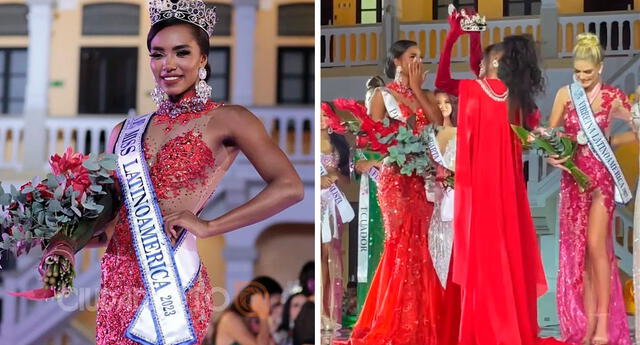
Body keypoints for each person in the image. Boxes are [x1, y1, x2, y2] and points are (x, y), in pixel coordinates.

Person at [89, 1, 304, 344]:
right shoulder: (124, 131)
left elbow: (290, 187)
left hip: (174, 282)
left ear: (202, 58)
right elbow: (113, 220)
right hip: (117, 283)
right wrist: (65, 241)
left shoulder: (228, 119)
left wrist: (210, 226)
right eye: (158, 54)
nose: (168, 65)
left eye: (181, 53)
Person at [450, 19, 566, 342]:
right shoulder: (514, 101)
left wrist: (455, 35)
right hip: (509, 194)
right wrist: (470, 36)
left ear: (497, 63)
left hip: (490, 193)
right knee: (505, 261)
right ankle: (508, 326)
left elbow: (449, 78)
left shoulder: (491, 95)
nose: (481, 63)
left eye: (489, 58)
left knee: (491, 264)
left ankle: (494, 329)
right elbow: (477, 70)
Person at [348, 39, 444, 345]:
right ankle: (394, 321)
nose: (419, 61)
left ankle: (423, 322)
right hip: (396, 178)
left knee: (425, 246)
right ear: (397, 62)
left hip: (424, 179)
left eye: (421, 56)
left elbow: (440, 124)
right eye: (412, 56)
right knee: (400, 246)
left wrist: (416, 88)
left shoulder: (425, 94)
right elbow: (368, 139)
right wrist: (393, 151)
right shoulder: (383, 94)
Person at [548, 33, 633, 345]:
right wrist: (552, 155)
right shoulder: (564, 95)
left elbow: (636, 130)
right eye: (578, 71)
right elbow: (551, 134)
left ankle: (601, 327)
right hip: (572, 184)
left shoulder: (612, 98)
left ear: (601, 67)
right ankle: (584, 325)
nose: (582, 77)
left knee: (598, 247)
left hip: (601, 185)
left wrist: (614, 141)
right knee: (579, 255)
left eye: (588, 71)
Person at [319, 103, 351, 334]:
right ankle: (319, 311)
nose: (321, 119)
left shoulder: (339, 145)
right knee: (320, 256)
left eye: (325, 115)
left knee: (333, 258)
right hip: (317, 205)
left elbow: (347, 180)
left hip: (334, 205)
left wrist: (334, 175)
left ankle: (331, 311)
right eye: (318, 115)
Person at [215, 276, 283, 345]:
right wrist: (263, 315)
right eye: (276, 304)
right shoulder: (229, 319)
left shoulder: (257, 323)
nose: (279, 309)